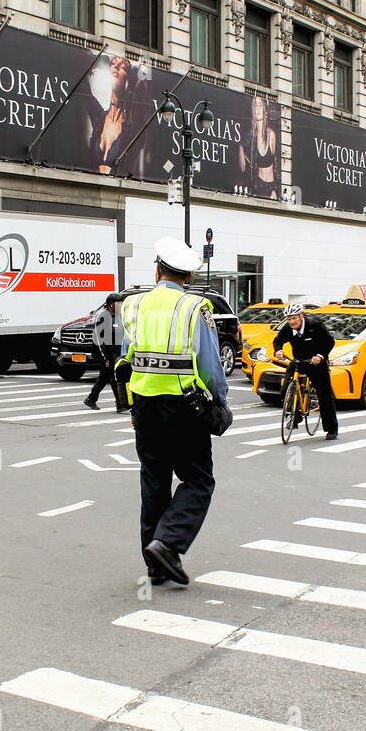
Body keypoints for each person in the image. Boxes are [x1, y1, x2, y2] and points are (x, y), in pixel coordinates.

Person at [119, 236, 229, 587]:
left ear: (157, 270)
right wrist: (221, 403)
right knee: (198, 481)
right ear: (188, 278)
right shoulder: (195, 309)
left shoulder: (133, 306)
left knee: (154, 483)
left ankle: (155, 564)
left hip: (146, 407)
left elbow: (126, 359)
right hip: (185, 408)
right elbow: (211, 367)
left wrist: (132, 404)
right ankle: (167, 544)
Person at [271, 302, 338, 440]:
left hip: (316, 362)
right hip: (298, 361)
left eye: (294, 318)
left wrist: (320, 356)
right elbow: (277, 341)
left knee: (324, 395)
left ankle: (332, 429)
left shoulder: (314, 325)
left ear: (301, 316)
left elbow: (329, 342)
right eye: (289, 319)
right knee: (285, 389)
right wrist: (278, 350)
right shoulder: (288, 329)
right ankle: (296, 416)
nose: (291, 322)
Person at [84, 296, 125, 412]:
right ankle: (119, 404)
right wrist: (105, 357)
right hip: (107, 353)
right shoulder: (103, 317)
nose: (121, 306)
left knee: (104, 377)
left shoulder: (117, 317)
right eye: (119, 303)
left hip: (116, 353)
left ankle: (91, 398)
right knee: (114, 378)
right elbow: (98, 338)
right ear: (111, 304)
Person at [238, 96, 278, 199]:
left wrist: (274, 189)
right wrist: (241, 147)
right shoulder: (249, 136)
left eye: (260, 105)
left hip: (271, 186)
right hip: (257, 184)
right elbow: (242, 168)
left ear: (265, 109)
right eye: (255, 106)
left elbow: (274, 164)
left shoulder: (271, 135)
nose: (258, 109)